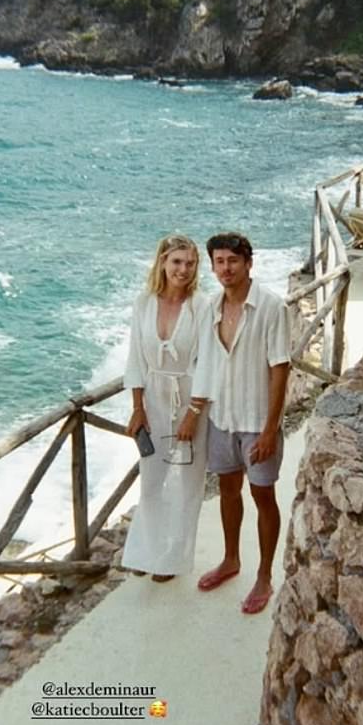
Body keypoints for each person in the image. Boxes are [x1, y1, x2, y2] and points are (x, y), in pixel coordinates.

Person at [179, 233, 291, 614]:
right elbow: (206, 365)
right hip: (222, 419)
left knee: (264, 497)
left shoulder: (272, 307)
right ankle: (231, 560)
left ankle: (263, 575)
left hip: (257, 422)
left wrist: (270, 431)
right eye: (219, 262)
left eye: (233, 261)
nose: (225, 269)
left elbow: (280, 370)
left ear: (248, 263)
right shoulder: (210, 308)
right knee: (228, 492)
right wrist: (195, 411)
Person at [122, 235, 209, 582]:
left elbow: (208, 364)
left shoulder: (201, 306)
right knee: (151, 481)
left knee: (188, 482)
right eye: (176, 262)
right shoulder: (143, 303)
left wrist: (194, 412)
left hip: (191, 400)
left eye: (190, 263)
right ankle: (149, 551)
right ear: (162, 262)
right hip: (154, 401)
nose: (183, 270)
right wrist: (137, 407)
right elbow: (134, 358)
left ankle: (174, 556)